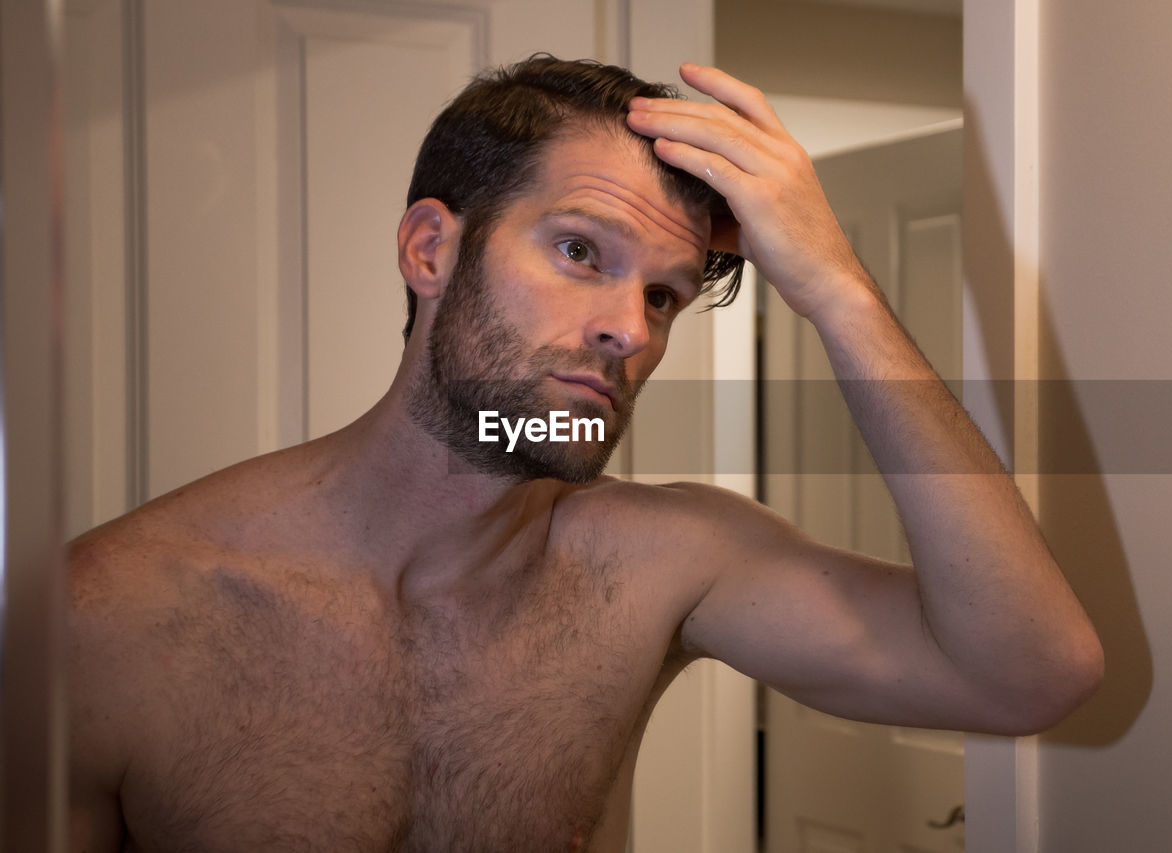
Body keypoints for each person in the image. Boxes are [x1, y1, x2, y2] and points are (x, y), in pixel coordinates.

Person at [68, 56, 1103, 852]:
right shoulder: (109, 615)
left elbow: (1027, 676)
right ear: (431, 249)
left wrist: (832, 285)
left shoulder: (655, 563)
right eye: (578, 252)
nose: (630, 331)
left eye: (663, 294)